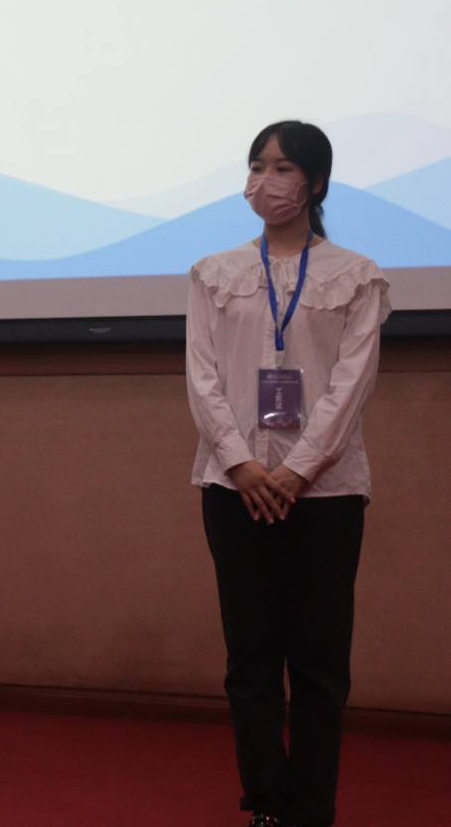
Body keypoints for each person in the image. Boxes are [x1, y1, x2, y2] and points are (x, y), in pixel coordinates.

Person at [186, 121, 389, 827]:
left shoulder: (355, 275)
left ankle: (312, 807)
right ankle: (265, 803)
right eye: (256, 165)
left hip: (325, 492)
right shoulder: (213, 272)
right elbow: (202, 378)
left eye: (281, 167)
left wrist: (297, 470)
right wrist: (242, 463)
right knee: (250, 658)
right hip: (232, 486)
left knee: (318, 660)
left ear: (315, 183)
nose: (263, 180)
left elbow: (352, 385)